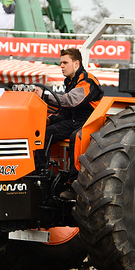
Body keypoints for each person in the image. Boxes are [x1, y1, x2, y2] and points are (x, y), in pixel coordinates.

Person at [34, 48, 104, 199]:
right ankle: (39, 174)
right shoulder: (70, 81)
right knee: (43, 133)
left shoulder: (87, 80)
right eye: (60, 63)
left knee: (76, 137)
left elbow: (72, 101)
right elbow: (65, 111)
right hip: (75, 121)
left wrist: (45, 96)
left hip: (90, 122)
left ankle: (74, 184)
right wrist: (49, 120)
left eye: (65, 62)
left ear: (76, 63)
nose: (62, 66)